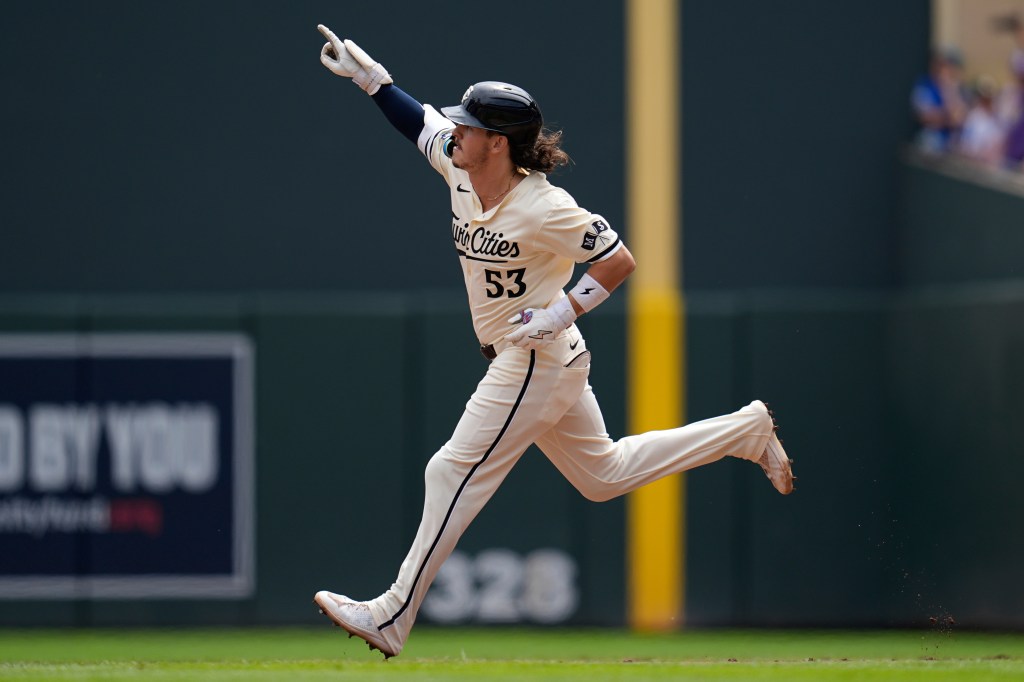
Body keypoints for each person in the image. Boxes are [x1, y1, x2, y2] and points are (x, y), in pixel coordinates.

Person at [311, 24, 795, 659]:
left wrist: (565, 309)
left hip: (534, 357)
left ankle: (392, 614)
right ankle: (743, 431)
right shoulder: (462, 169)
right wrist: (372, 80)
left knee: (450, 468)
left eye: (469, 126)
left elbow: (619, 259)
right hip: (543, 358)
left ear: (499, 143)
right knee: (604, 475)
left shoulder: (544, 206)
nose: (455, 131)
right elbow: (417, 124)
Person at [910, 47, 968, 155]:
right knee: (930, 139)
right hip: (932, 137)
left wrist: (948, 89)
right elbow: (926, 117)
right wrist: (948, 117)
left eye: (950, 65)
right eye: (943, 64)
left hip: (952, 141)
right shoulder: (925, 84)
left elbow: (959, 119)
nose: (946, 69)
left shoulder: (956, 87)